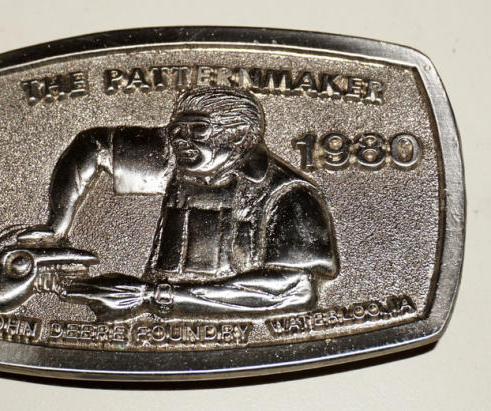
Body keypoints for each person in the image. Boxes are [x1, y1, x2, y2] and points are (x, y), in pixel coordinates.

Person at [17, 87, 339, 317]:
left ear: (240, 135)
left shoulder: (292, 196)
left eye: (198, 129)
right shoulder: (180, 154)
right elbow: (93, 144)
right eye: (176, 130)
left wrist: (151, 297)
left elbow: (293, 291)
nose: (181, 139)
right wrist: (56, 227)